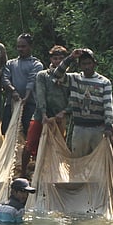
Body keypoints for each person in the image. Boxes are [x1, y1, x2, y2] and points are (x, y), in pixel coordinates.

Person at [52, 47, 113, 156]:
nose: (87, 67)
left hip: (98, 129)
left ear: (94, 64)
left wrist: (108, 125)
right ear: (80, 66)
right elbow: (57, 74)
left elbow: (108, 105)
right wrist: (70, 58)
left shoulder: (104, 82)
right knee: (78, 162)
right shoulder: (75, 79)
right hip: (80, 128)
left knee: (98, 162)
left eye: (89, 63)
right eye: (84, 64)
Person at [20, 44, 69, 176]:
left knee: (58, 147)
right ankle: (23, 172)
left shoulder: (69, 78)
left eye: (60, 59)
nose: (57, 61)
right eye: (55, 59)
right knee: (30, 143)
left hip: (58, 118)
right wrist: (43, 114)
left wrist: (64, 112)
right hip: (40, 116)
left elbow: (72, 99)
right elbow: (40, 95)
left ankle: (54, 174)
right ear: (51, 60)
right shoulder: (42, 75)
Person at [1, 33, 43, 136]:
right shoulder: (11, 63)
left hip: (30, 104)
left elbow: (31, 81)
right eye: (18, 46)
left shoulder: (36, 64)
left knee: (28, 133)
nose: (20, 49)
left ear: (30, 47)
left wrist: (25, 98)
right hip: (12, 103)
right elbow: (5, 78)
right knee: (6, 131)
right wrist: (13, 91)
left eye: (23, 46)